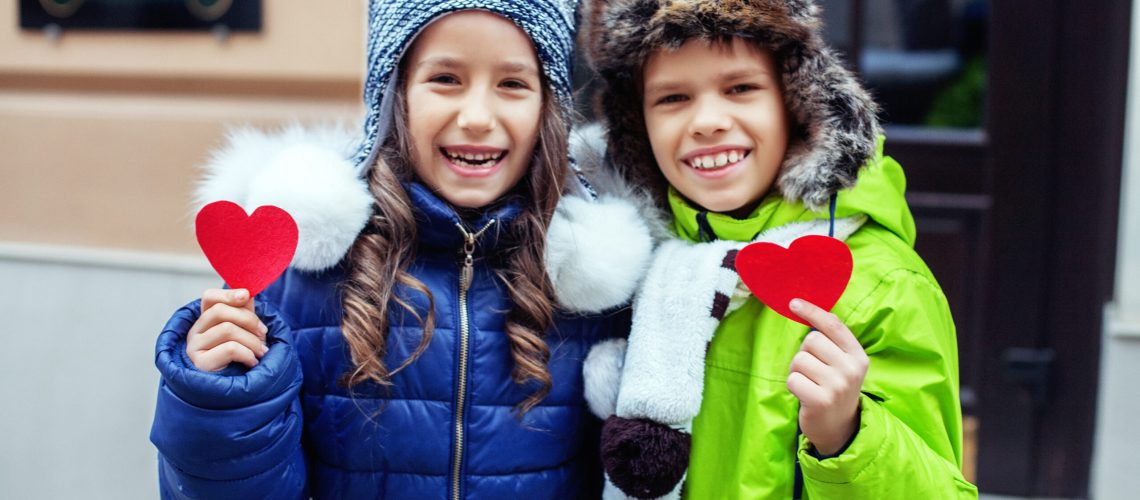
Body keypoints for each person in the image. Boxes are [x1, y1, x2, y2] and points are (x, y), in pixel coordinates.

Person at [149, 1, 653, 498]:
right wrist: (222, 405)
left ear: (548, 107)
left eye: (513, 84)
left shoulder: (595, 287)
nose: (477, 116)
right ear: (395, 95)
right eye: (446, 79)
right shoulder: (302, 273)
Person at [578, 0, 979, 498]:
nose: (707, 121)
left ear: (796, 103)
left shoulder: (883, 284)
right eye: (673, 98)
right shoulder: (627, 264)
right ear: (638, 126)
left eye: (740, 89)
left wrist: (847, 434)